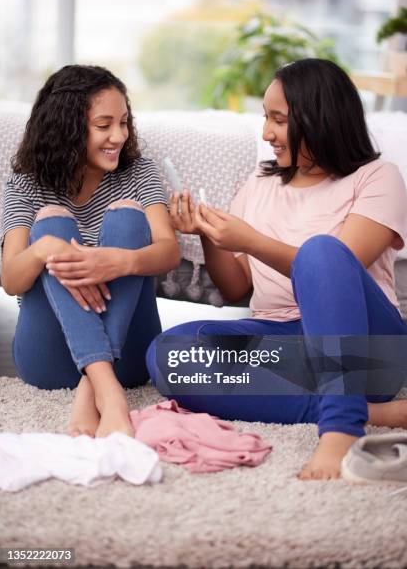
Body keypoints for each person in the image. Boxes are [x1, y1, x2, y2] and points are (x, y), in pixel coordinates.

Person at [146, 58, 407, 480]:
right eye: (265, 118)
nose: (266, 133)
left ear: (319, 118)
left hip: (364, 346)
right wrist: (213, 237)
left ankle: (340, 428)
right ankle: (375, 410)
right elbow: (235, 289)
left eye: (279, 120)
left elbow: (336, 268)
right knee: (170, 354)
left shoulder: (378, 178)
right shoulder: (259, 185)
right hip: (284, 347)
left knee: (322, 253)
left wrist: (250, 240)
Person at [1, 65, 180, 438]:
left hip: (127, 359)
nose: (119, 135)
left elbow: (168, 251)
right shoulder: (25, 186)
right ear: (67, 127)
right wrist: (46, 249)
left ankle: (95, 387)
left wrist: (121, 261)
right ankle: (105, 388)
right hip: (47, 358)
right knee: (51, 223)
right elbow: (11, 280)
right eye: (104, 125)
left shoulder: (139, 174)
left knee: (128, 219)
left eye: (124, 122)